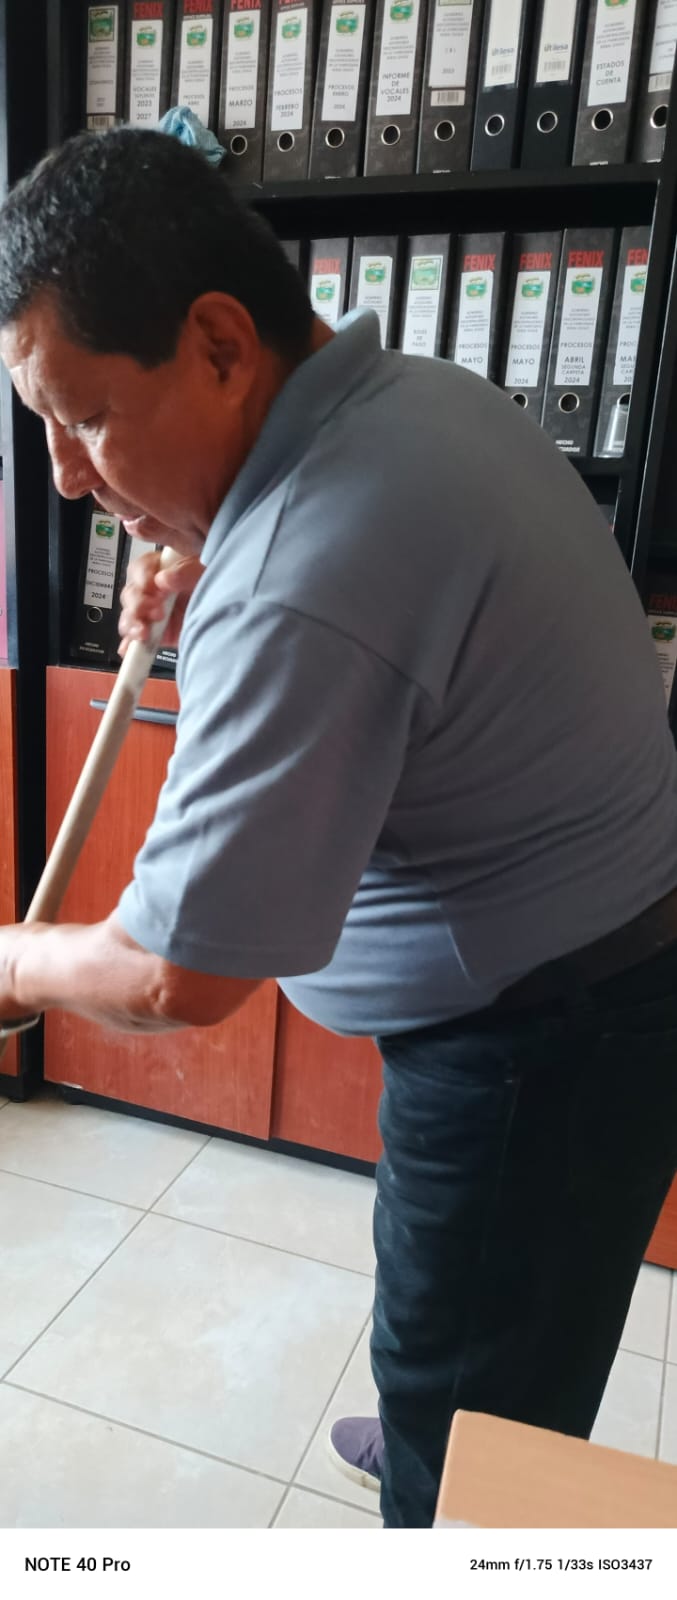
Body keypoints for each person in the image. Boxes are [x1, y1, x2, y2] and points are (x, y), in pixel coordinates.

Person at [1, 128, 677, 1530]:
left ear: (218, 343)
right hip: (579, 968)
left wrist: (14, 959)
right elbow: (363, 602)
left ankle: (453, 1484)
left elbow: (176, 973)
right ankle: (448, 1402)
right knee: (468, 1313)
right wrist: (213, 556)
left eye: (90, 418)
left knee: (479, 1429)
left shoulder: (303, 573)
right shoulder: (414, 400)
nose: (65, 474)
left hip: (546, 1036)